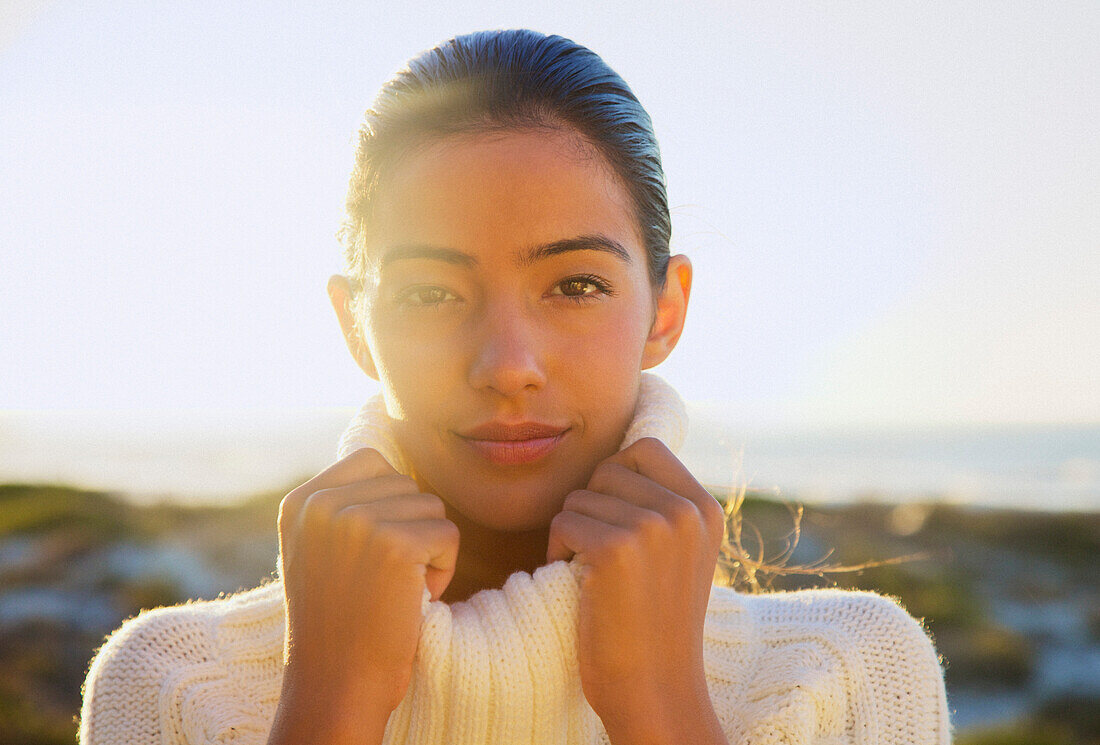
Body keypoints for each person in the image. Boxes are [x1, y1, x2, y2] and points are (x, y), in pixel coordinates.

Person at [79, 29, 951, 745]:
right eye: (430, 293)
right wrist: (330, 707)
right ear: (354, 326)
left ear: (664, 309)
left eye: (576, 285)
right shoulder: (177, 686)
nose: (506, 363)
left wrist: (660, 704)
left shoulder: (845, 674)